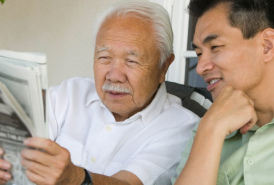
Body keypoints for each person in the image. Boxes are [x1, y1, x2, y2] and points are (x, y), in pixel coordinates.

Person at [0, 1, 199, 185]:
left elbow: (128, 183)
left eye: (131, 61)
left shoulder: (180, 127)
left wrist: (76, 178)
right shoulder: (70, 93)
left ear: (163, 67)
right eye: (104, 57)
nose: (114, 76)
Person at [173, 0, 274, 184]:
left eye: (215, 47)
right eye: (199, 53)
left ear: (267, 45)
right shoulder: (209, 126)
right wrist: (212, 129)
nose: (200, 68)